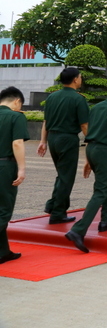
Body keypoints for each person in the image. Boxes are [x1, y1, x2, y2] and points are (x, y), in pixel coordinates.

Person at [64, 80, 107, 253]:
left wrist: (88, 159)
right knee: (102, 190)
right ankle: (78, 230)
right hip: (104, 151)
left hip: (93, 149)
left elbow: (90, 134)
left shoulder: (96, 108)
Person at [38, 67, 89, 225]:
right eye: (80, 77)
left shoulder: (52, 97)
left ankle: (53, 206)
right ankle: (58, 213)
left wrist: (43, 141)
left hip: (53, 138)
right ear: (75, 79)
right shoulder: (78, 99)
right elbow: (84, 125)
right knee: (66, 177)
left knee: (62, 174)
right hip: (67, 139)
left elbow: (46, 122)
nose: (81, 79)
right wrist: (94, 141)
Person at [0, 86, 27, 264]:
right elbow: (17, 143)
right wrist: (22, 168)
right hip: (5, 166)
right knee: (4, 210)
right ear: (17, 101)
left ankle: (3, 252)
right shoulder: (16, 116)